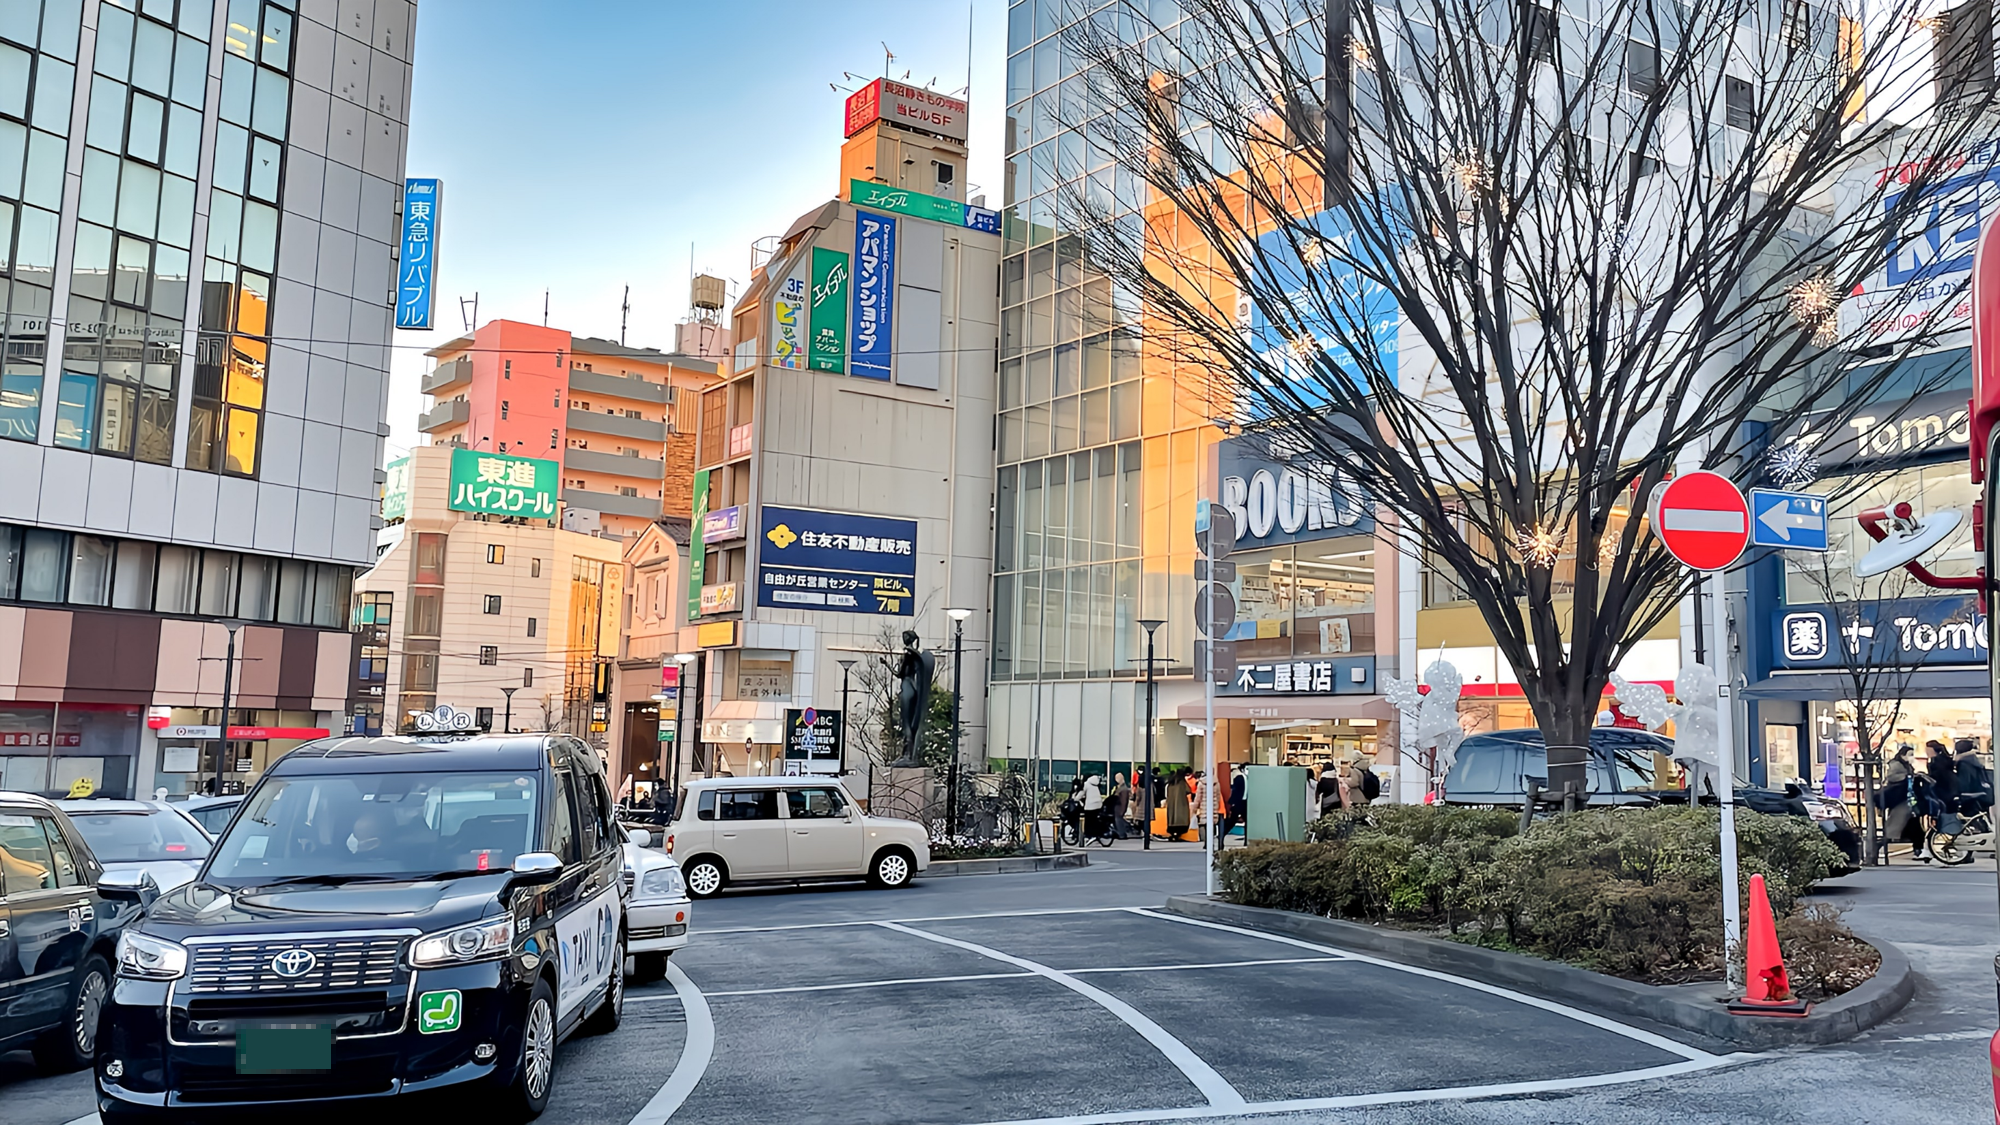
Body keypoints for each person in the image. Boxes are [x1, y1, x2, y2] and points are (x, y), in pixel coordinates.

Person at [1217, 770, 1247, 849]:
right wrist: (1232, 802)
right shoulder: (1239, 778)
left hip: (1245, 803)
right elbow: (1235, 791)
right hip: (1239, 803)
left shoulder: (1245, 777)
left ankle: (1246, 841)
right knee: (1232, 821)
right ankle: (1222, 835)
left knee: (1246, 823)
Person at [1927, 740, 1959, 805]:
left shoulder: (1938, 761)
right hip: (1948, 788)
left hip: (1944, 789)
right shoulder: (1941, 759)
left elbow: (1937, 775)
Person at [1109, 773, 1132, 839]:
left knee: (1119, 820)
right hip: (1117, 807)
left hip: (1119, 808)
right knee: (1118, 820)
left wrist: (1122, 810)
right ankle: (1121, 832)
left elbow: (1124, 800)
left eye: (1117, 778)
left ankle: (1122, 834)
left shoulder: (1123, 788)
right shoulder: (1119, 787)